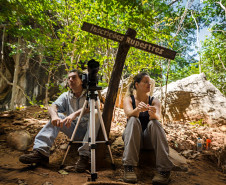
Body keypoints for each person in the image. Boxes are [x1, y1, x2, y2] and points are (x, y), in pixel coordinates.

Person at [19, 69, 100, 172]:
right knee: (58, 116)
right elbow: (53, 106)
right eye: (69, 78)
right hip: (74, 130)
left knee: (96, 113)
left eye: (74, 77)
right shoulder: (66, 95)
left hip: (91, 131)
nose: (70, 80)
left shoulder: (91, 93)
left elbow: (95, 106)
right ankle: (41, 152)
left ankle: (84, 156)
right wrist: (54, 116)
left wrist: (73, 115)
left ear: (82, 80)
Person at [122, 72, 174, 184]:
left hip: (148, 139)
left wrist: (153, 114)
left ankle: (164, 170)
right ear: (137, 84)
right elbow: (129, 113)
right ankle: (129, 167)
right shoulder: (129, 99)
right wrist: (137, 110)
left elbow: (158, 117)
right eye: (145, 82)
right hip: (133, 138)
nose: (149, 85)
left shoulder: (154, 101)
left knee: (154, 123)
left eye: (149, 83)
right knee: (133, 119)